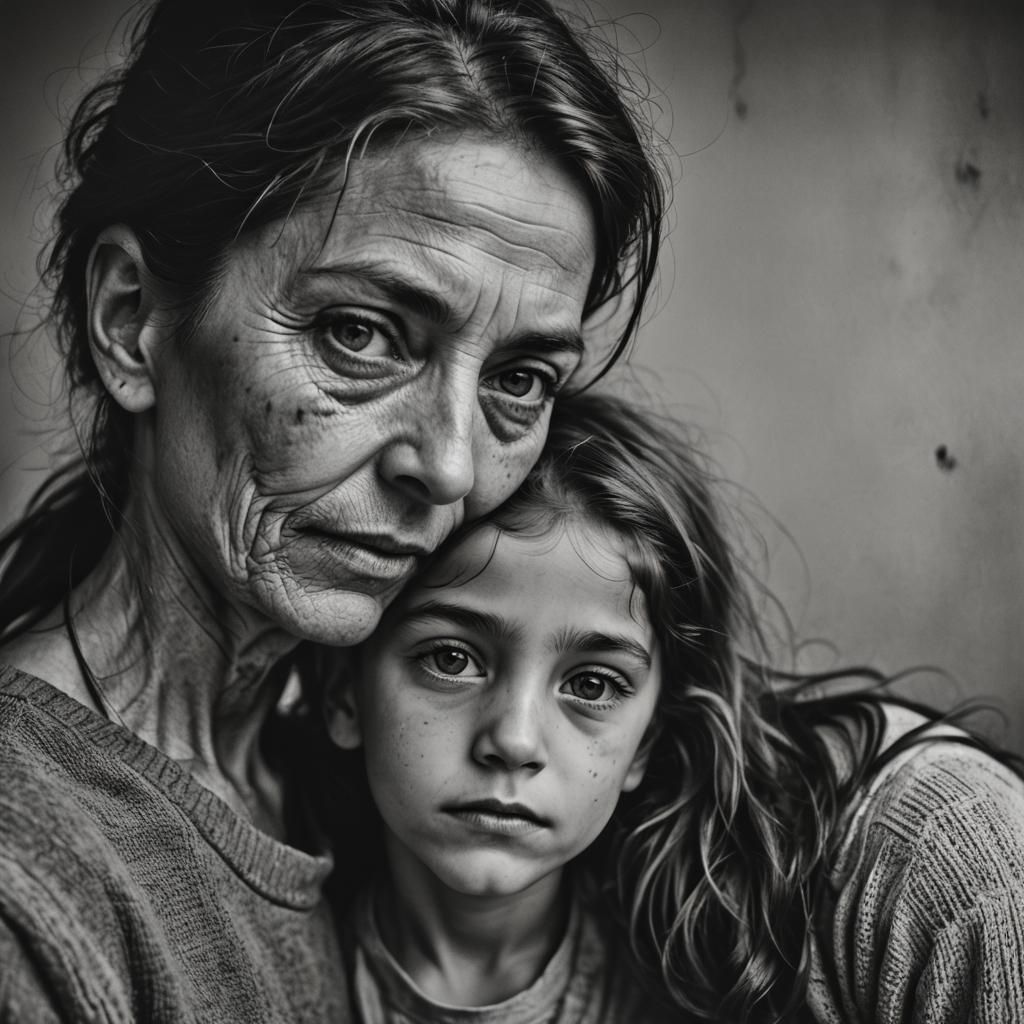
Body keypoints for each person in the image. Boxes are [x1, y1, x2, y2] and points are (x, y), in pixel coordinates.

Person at [0, 1, 665, 1020]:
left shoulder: (377, 765)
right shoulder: (32, 878)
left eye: (520, 379)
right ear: (132, 320)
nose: (450, 467)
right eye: (361, 333)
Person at [314, 390, 1024, 1023]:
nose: (515, 740)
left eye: (593, 686)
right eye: (450, 659)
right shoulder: (284, 957)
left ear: (647, 740)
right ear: (345, 691)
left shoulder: (764, 940)